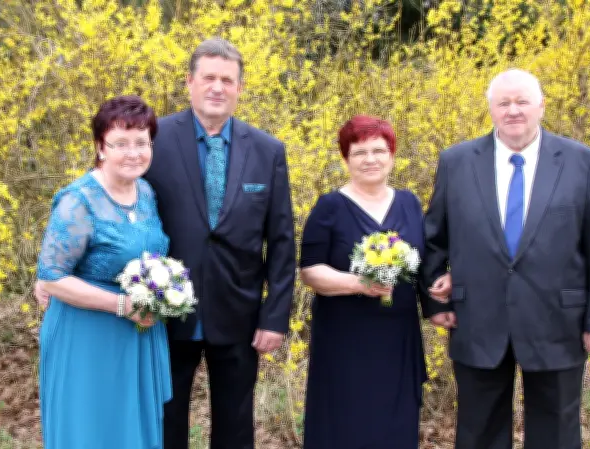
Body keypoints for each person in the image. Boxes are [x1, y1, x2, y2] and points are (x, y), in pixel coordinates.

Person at [421, 69, 590, 449]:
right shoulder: (456, 161)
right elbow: (434, 237)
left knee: (557, 430)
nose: (513, 110)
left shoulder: (581, 162)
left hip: (558, 320)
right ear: (491, 109)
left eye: (522, 101)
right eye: (504, 103)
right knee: (478, 429)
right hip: (477, 317)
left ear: (542, 106)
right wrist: (434, 297)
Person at [143, 38, 296, 449]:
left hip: (240, 313)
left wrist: (275, 317)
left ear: (240, 88)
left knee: (235, 423)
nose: (217, 87)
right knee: (164, 419)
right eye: (208, 77)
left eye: (227, 80)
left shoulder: (267, 150)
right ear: (189, 82)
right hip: (164, 310)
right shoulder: (151, 141)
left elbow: (281, 242)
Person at [299, 115, 451, 449]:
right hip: (345, 337)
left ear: (392, 155)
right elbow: (309, 270)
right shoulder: (329, 207)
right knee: (346, 419)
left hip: (397, 334)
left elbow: (426, 262)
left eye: (379, 151)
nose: (371, 159)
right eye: (360, 152)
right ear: (346, 159)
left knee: (394, 419)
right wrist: (359, 283)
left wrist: (441, 293)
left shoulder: (409, 203)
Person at [35, 95, 172, 448]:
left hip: (136, 338)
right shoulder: (77, 201)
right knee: (92, 433)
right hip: (86, 337)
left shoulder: (145, 192)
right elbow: (51, 275)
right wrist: (124, 306)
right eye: (120, 143)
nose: (133, 152)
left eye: (141, 142)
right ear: (100, 147)